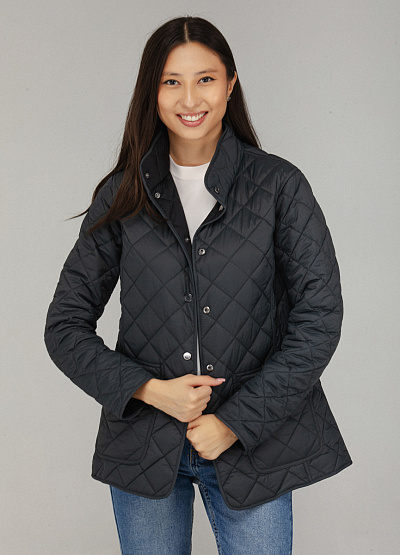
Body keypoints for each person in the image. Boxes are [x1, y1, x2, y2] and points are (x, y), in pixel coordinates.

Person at [44, 15, 352, 555]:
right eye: (172, 81)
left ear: (230, 84)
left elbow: (319, 320)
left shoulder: (279, 186)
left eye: (205, 79)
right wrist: (150, 390)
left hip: (253, 446)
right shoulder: (123, 195)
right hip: (144, 445)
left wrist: (234, 422)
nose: (190, 98)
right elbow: (64, 327)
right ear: (152, 92)